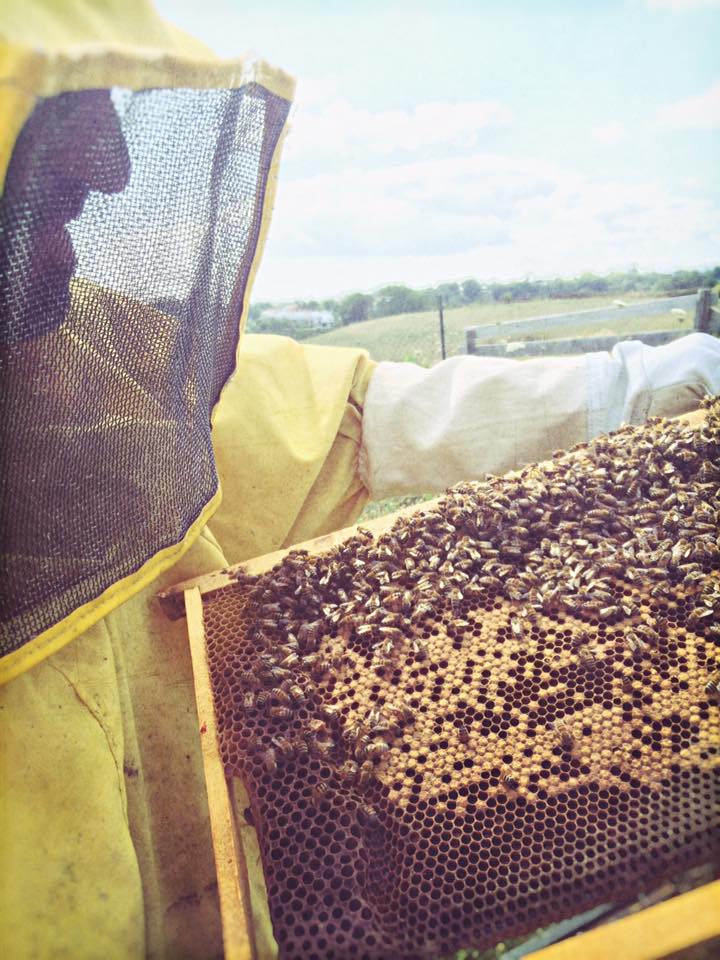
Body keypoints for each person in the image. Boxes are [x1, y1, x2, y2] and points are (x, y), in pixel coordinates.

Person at [1, 2, 718, 958]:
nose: (112, 173)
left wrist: (648, 387)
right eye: (44, 205)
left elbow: (354, 417)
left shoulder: (90, 341)